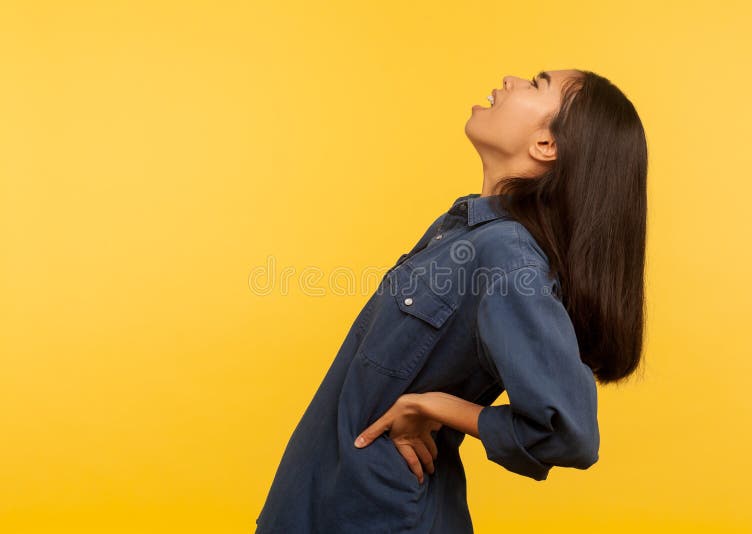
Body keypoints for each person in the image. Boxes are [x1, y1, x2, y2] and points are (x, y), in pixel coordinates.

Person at [254, 69, 648, 533]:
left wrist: (434, 406)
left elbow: (570, 432)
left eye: (537, 84)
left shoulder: (506, 254)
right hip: (317, 501)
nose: (511, 79)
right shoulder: (460, 230)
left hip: (377, 515)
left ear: (546, 145)